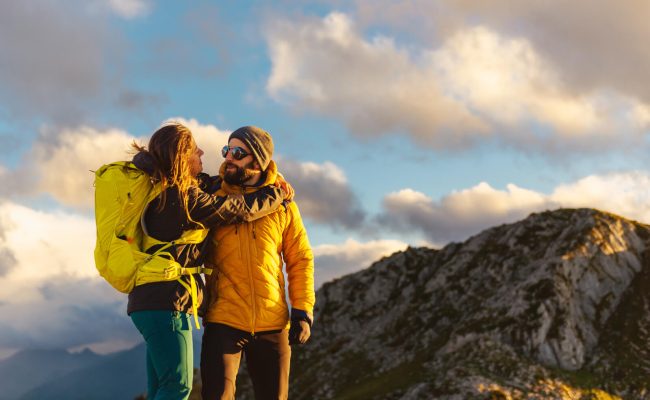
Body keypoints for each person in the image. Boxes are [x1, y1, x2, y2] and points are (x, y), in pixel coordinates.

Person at [127, 122, 290, 400]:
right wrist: (276, 194)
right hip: (167, 302)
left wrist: (265, 178)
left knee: (160, 386)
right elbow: (237, 209)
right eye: (194, 149)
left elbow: (215, 184)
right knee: (177, 387)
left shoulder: (168, 189)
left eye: (236, 152)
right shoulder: (185, 198)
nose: (204, 152)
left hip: (147, 301)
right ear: (180, 157)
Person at [200, 126, 315, 400]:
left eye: (238, 152)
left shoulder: (284, 206)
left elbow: (300, 259)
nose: (229, 157)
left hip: (273, 324)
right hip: (223, 320)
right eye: (227, 150)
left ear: (258, 160)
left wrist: (302, 311)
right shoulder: (212, 198)